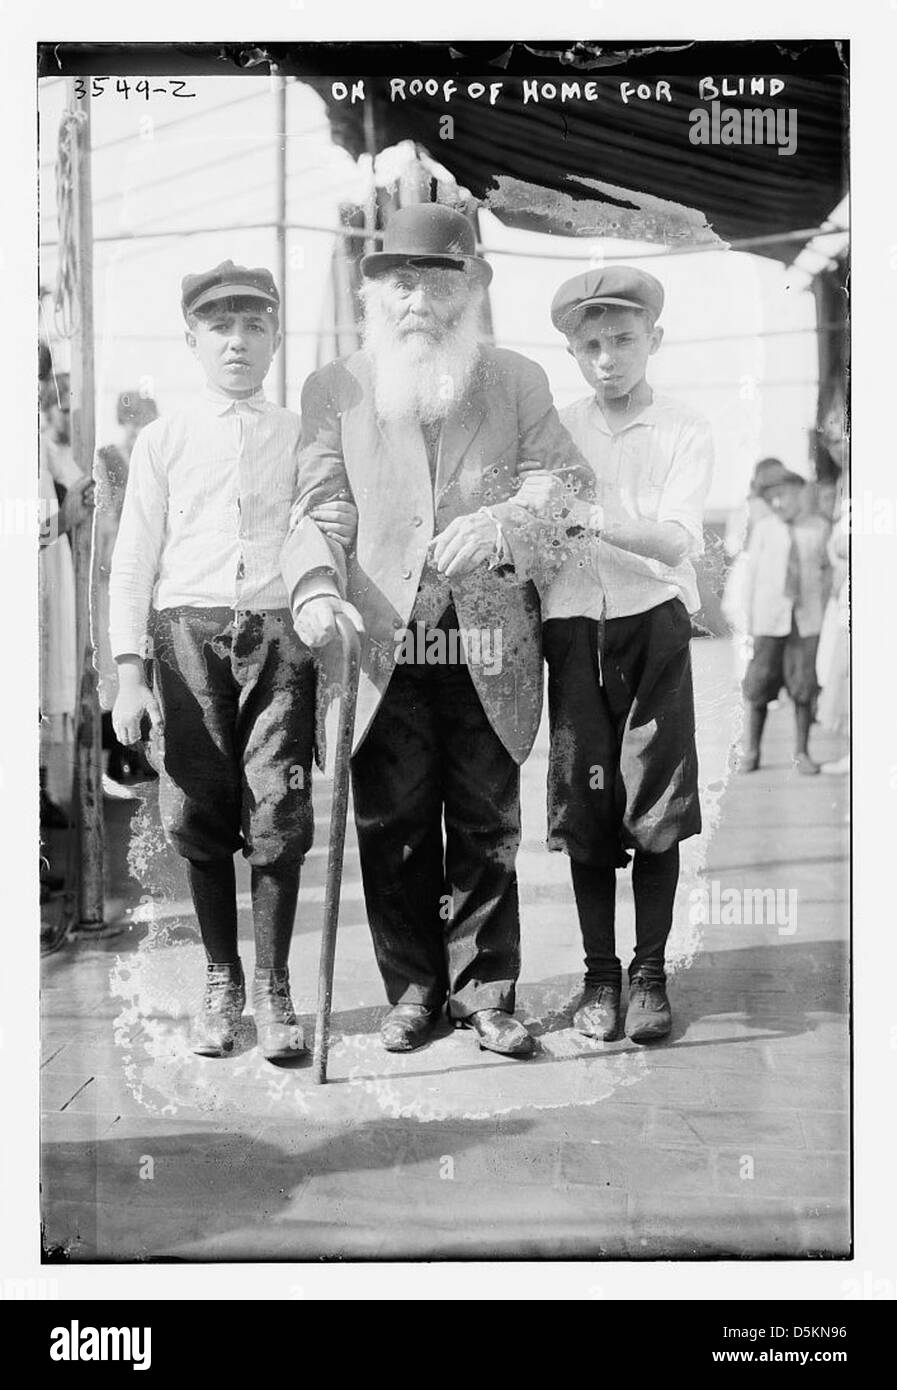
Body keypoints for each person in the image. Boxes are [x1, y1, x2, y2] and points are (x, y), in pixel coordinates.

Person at [282, 203, 593, 1059]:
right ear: (374, 291)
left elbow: (565, 487)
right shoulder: (335, 388)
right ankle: (413, 993)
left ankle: (487, 994)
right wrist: (312, 586)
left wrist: (503, 524)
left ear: (471, 289)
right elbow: (320, 503)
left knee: (487, 821)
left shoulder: (516, 379)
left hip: (486, 638)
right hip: (381, 638)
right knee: (395, 822)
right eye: (399, 280)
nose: (415, 298)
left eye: (435, 280)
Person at [108, 261, 354, 1061]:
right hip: (187, 639)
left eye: (254, 325)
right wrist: (128, 673)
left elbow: (325, 524)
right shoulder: (164, 438)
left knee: (279, 816)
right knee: (198, 814)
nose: (238, 342)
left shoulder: (302, 433)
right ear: (193, 339)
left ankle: (277, 989)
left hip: (280, 639)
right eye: (221, 326)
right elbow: (133, 558)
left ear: (275, 335)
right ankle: (223, 982)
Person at [511, 267, 713, 1044]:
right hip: (572, 634)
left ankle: (650, 975)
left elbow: (672, 539)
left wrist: (588, 515)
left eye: (623, 340)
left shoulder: (683, 427)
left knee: (655, 804)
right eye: (589, 344)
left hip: (649, 627)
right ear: (570, 351)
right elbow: (531, 521)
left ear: (652, 340)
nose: (607, 358)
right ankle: (600, 979)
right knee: (584, 804)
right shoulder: (557, 426)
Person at [739, 461, 832, 774]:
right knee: (759, 685)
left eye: (784, 495)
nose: (778, 503)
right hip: (769, 622)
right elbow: (750, 579)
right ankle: (752, 751)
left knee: (803, 685)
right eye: (772, 499)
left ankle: (801, 753)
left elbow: (828, 573)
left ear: (799, 493)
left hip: (805, 623)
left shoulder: (818, 528)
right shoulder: (764, 531)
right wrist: (748, 623)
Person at [95, 391, 160, 791]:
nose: (138, 427)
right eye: (133, 419)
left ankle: (139, 754)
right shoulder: (112, 457)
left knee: (146, 659)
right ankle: (119, 755)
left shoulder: (155, 451)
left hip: (148, 570)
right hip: (115, 570)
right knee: (116, 660)